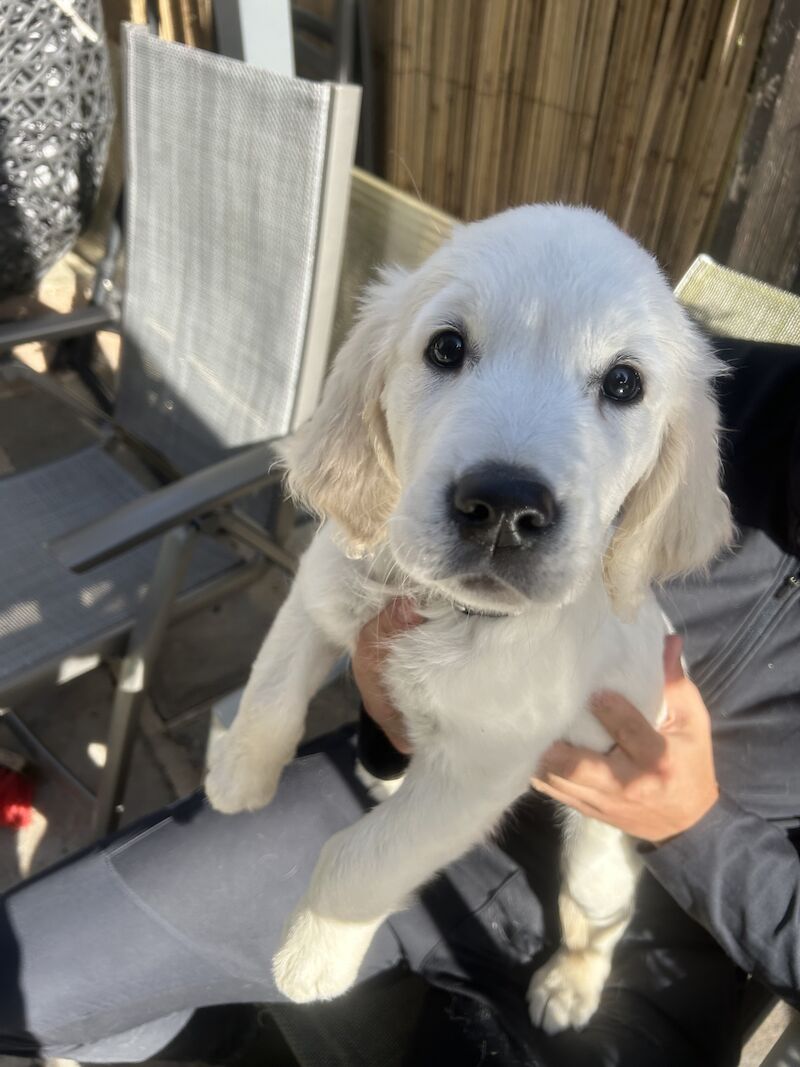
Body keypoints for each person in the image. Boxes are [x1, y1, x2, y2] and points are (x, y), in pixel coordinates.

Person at [0, 336, 797, 1066]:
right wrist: (383, 715)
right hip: (414, 788)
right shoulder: (671, 371)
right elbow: (395, 543)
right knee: (22, 987)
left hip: (681, 938)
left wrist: (695, 828)